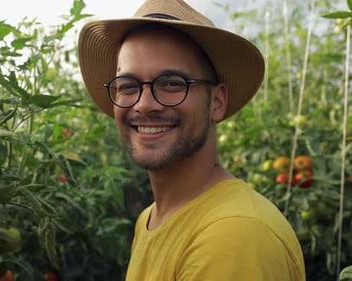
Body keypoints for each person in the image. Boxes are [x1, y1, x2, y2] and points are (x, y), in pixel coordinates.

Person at [77, 0, 306, 280]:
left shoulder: (233, 236)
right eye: (128, 86)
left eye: (172, 83)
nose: (145, 104)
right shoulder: (151, 220)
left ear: (217, 102)